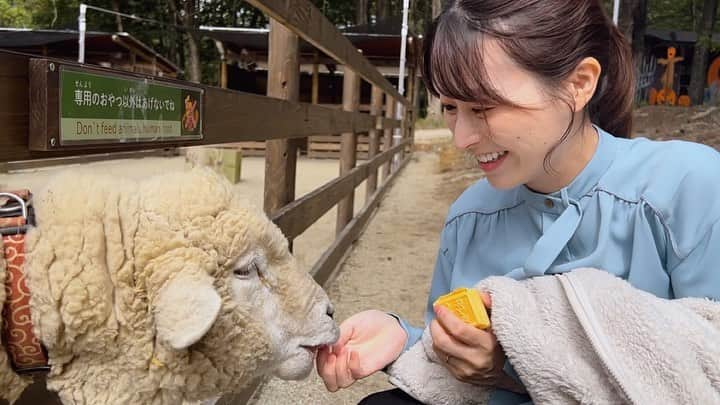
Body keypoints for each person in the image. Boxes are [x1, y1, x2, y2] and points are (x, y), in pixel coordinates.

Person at [317, 1, 720, 404]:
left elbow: (702, 364)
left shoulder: (687, 187)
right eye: (450, 108)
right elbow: (454, 365)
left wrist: (516, 362)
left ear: (579, 84)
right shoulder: (469, 217)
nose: (462, 139)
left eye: (483, 107)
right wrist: (404, 339)